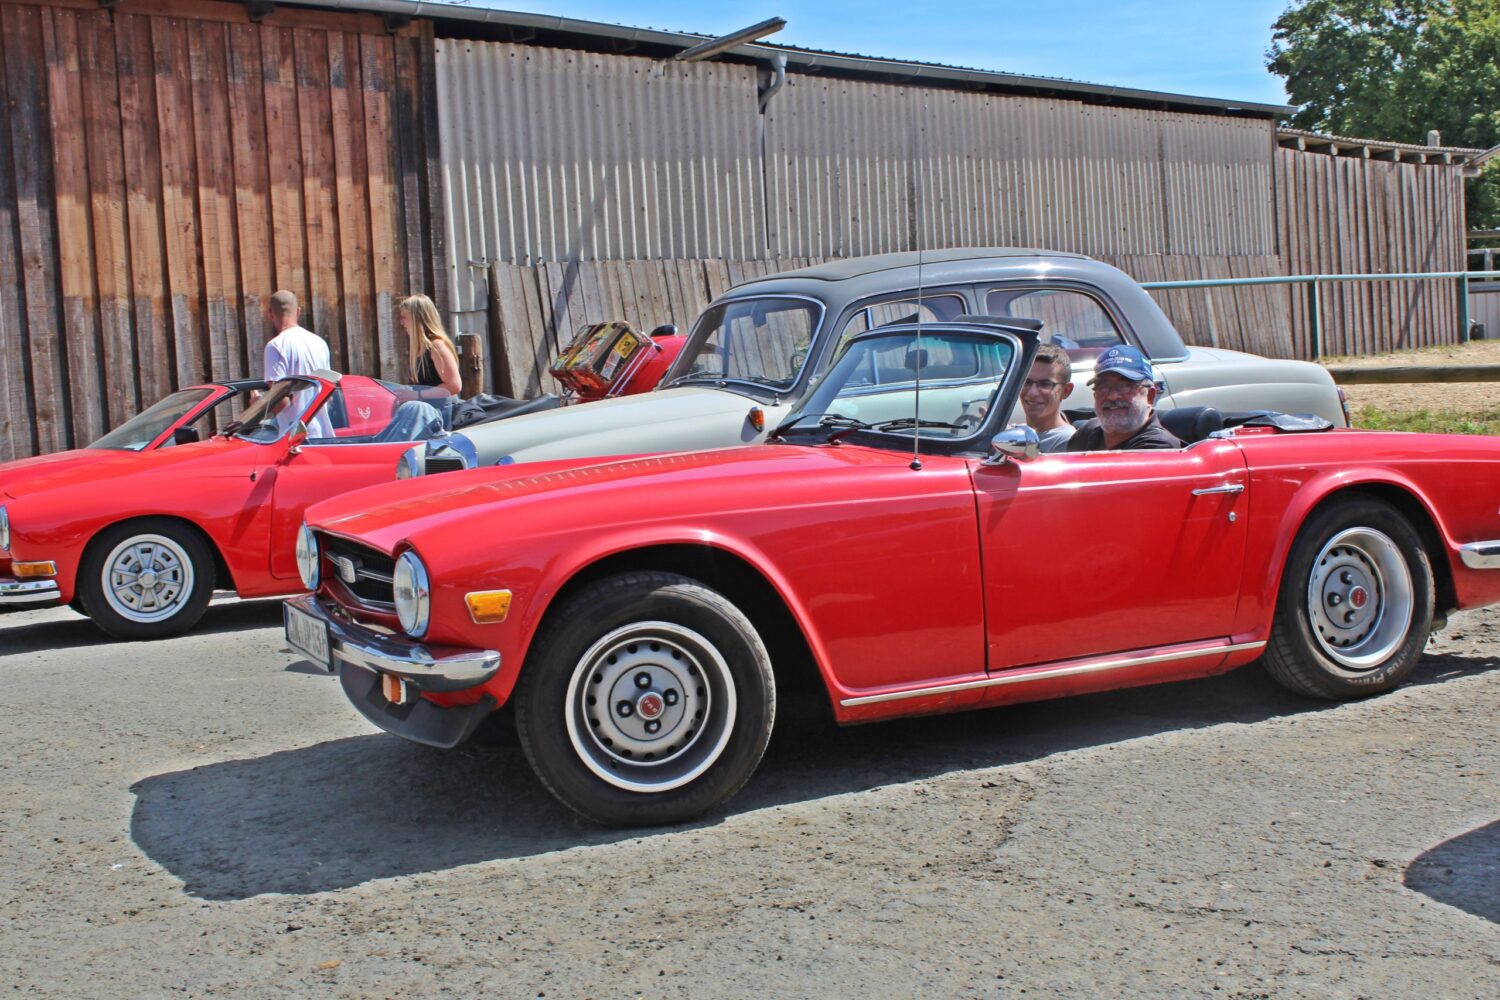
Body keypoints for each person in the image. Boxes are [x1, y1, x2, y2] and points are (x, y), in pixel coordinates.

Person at [1065, 344, 1183, 452]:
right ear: (1095, 395)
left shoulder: (1158, 447)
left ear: (1150, 396)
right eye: (1104, 387)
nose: (1112, 396)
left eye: (1125, 386)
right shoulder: (1088, 432)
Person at [262, 289, 333, 438]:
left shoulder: (275, 346)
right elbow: (329, 392)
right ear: (298, 311)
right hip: (324, 434)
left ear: (270, 313)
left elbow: (278, 396)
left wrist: (259, 403)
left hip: (297, 439)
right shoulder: (319, 343)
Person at [398, 294, 462, 395]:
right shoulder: (420, 349)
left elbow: (454, 385)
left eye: (404, 317)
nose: (401, 322)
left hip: (440, 410)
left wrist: (417, 395)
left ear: (417, 319)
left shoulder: (437, 346)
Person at [1021, 342, 1076, 453]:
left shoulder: (1067, 441)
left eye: (1045, 384)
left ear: (1066, 391)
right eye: (1026, 382)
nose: (1032, 392)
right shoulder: (1017, 432)